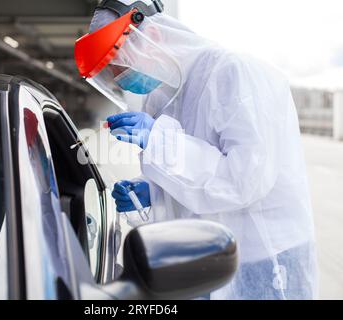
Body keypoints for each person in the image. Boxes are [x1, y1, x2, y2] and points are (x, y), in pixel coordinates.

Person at [74, 0, 318, 299]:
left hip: (263, 256)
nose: (118, 77)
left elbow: (245, 181)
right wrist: (151, 190)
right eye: (111, 72)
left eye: (119, 63)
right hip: (201, 257)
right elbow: (192, 177)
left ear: (153, 38)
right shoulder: (161, 94)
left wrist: (159, 141)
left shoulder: (234, 73)